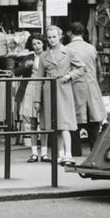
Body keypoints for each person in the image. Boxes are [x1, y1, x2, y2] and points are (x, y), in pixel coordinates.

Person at [32, 25, 84, 165]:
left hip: (63, 88)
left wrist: (69, 75)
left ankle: (68, 154)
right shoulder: (44, 56)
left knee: (65, 123)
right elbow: (39, 79)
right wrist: (37, 100)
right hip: (49, 90)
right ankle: (60, 154)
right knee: (55, 124)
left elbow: (82, 68)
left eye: (54, 37)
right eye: (49, 37)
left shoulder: (68, 51)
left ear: (60, 37)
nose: (52, 40)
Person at [66, 22, 107, 151]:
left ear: (69, 33)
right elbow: (99, 70)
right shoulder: (91, 48)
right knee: (93, 120)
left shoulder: (66, 49)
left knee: (74, 119)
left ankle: (75, 149)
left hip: (74, 86)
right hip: (91, 85)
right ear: (83, 33)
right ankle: (94, 149)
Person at [15, 34, 49, 162]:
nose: (36, 46)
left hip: (43, 88)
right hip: (30, 88)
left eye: (39, 43)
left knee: (45, 123)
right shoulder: (29, 57)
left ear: (43, 44)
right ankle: (34, 153)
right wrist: (25, 66)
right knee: (33, 122)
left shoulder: (48, 56)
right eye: (34, 44)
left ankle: (45, 153)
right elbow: (16, 72)